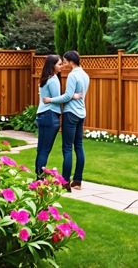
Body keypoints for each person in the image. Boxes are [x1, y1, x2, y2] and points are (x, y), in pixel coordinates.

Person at [44, 50, 90, 191]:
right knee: (79, 146)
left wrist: (50, 99)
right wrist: (72, 96)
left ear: (71, 62)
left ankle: (64, 183)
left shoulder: (72, 75)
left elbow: (67, 96)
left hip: (70, 114)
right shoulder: (85, 75)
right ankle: (77, 181)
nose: (64, 64)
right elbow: (76, 95)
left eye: (65, 61)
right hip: (81, 113)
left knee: (67, 148)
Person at [34, 54, 63, 180]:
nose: (61, 66)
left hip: (43, 115)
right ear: (53, 66)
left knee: (41, 149)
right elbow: (57, 99)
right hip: (50, 116)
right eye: (59, 64)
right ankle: (40, 178)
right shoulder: (53, 80)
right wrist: (71, 97)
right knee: (45, 149)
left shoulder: (45, 79)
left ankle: (38, 176)